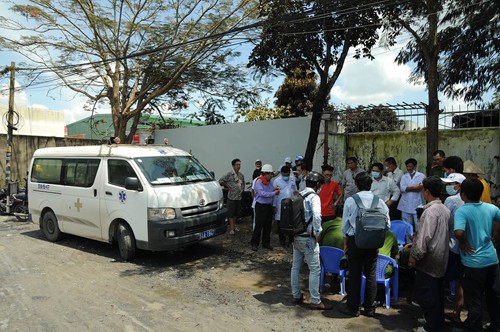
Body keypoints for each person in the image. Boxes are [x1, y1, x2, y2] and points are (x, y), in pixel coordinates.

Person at [339, 172, 390, 318]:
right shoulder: (379, 201)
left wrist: (345, 243)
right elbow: (387, 224)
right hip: (374, 243)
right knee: (371, 275)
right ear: (371, 185)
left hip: (356, 241)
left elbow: (345, 226)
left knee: (354, 275)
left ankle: (353, 308)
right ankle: (369, 308)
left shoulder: (351, 200)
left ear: (356, 185)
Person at [453, 178, 500, 332]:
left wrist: (464, 242)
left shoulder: (463, 210)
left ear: (463, 194)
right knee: (494, 297)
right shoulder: (491, 208)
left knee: (474, 300)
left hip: (473, 263)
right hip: (492, 260)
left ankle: (474, 328)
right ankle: (496, 326)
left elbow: (458, 231)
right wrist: (495, 235)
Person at [408, 176, 451, 332]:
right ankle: (433, 320)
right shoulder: (445, 209)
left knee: (427, 294)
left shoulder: (430, 212)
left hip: (429, 259)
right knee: (437, 293)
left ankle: (431, 326)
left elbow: (424, 238)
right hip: (441, 257)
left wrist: (414, 256)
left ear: (426, 191)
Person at [290, 171, 333, 310]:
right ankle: (315, 300)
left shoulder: (299, 195)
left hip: (296, 236)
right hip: (308, 239)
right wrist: (318, 232)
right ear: (318, 185)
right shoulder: (314, 197)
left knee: (295, 267)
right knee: (315, 269)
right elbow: (317, 215)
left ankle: (296, 295)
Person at [441, 172, 466, 324]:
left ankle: (436, 313)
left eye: (452, 184)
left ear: (459, 186)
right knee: (460, 282)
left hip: (453, 246)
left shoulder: (452, 200)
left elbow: (444, 219)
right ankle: (457, 312)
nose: (449, 187)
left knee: (441, 280)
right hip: (464, 248)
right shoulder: (472, 202)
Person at [250, 164, 280, 251]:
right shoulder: (258, 181)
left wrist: (275, 189)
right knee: (259, 226)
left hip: (268, 206)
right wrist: (274, 193)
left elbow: (270, 189)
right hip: (261, 206)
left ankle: (266, 243)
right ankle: (254, 243)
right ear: (265, 174)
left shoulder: (269, 182)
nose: (271, 176)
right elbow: (262, 194)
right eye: (270, 174)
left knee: (268, 225)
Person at [398, 158, 426, 232]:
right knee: (406, 226)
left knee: (419, 225)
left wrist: (408, 188)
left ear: (415, 166)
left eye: (411, 166)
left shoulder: (421, 176)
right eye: (407, 166)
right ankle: (408, 242)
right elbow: (402, 188)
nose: (409, 168)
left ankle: (418, 242)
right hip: (405, 205)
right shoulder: (404, 176)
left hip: (418, 204)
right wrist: (414, 187)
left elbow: (420, 188)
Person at [273, 166, 298, 247]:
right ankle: (282, 241)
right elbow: (273, 195)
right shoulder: (276, 181)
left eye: (287, 174)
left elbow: (295, 190)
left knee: (291, 222)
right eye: (284, 175)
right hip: (280, 204)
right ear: (281, 173)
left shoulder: (292, 179)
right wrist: (274, 206)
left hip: (291, 204)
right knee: (280, 223)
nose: (286, 176)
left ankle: (291, 240)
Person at [219, 159, 245, 235]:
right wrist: (228, 187)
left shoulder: (241, 175)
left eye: (239, 164)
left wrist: (242, 189)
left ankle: (234, 226)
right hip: (231, 197)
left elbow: (243, 183)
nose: (239, 166)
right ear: (233, 166)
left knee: (236, 214)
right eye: (237, 165)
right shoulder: (229, 174)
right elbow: (221, 181)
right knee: (231, 213)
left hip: (238, 197)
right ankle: (231, 229)